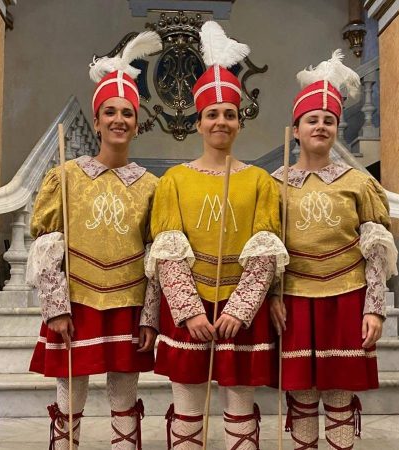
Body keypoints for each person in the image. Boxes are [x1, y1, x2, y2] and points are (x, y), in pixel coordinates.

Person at [145, 21, 289, 450]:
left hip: (239, 314)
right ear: (199, 121)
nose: (221, 121)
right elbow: (167, 250)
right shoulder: (173, 180)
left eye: (229, 114)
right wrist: (189, 310)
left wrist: (241, 309)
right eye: (212, 114)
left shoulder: (261, 181)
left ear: (238, 121)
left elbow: (265, 250)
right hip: (189, 312)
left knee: (240, 413)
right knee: (188, 412)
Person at [26, 31, 163, 450]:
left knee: (124, 396)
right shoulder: (65, 177)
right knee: (71, 395)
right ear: (98, 118)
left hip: (128, 302)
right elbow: (48, 245)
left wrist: (150, 317)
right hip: (77, 301)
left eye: (127, 112)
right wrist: (56, 308)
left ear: (137, 123)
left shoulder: (151, 185)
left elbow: (157, 257)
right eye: (110, 112)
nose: (119, 119)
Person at [269, 50, 398, 450]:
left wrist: (374, 307)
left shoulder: (359, 184)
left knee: (340, 393)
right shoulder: (276, 184)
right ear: (296, 129)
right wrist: (273, 294)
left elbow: (376, 249)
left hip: (346, 296)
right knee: (303, 395)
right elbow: (268, 248)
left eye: (329, 121)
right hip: (295, 299)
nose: (320, 126)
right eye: (312, 120)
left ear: (336, 129)